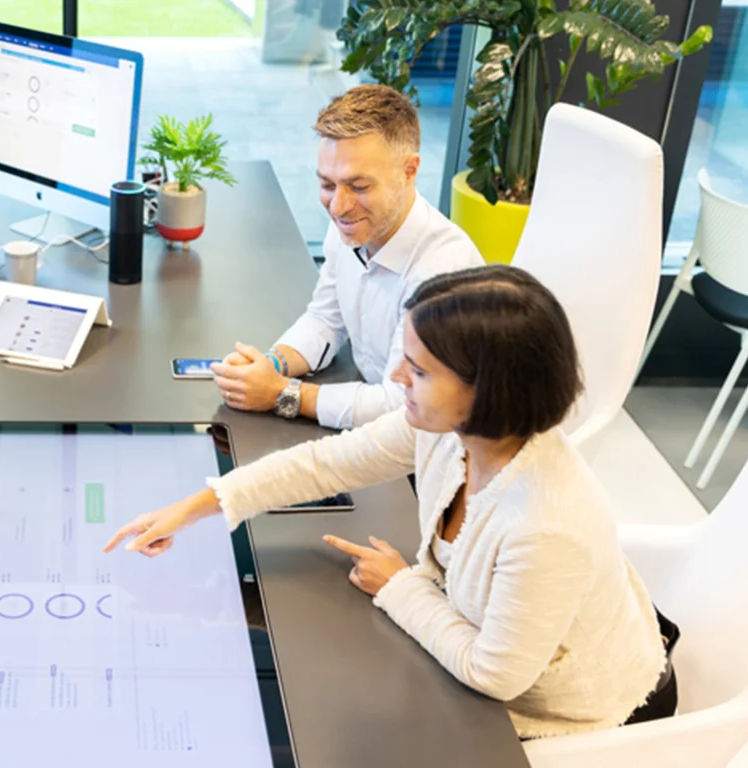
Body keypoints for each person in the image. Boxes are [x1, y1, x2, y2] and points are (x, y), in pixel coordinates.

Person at [107, 265, 676, 738]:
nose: (397, 376)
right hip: (487, 641)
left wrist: (400, 586)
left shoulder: (545, 524)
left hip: (577, 711)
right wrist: (199, 505)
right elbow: (329, 462)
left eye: (420, 369)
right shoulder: (449, 430)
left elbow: (493, 673)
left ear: (489, 390)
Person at [213, 84, 482, 430]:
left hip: (430, 451)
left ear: (409, 171)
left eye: (359, 186)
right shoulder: (353, 223)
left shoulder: (443, 272)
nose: (338, 207)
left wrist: (282, 394)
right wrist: (270, 365)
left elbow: (400, 404)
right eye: (327, 185)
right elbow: (326, 319)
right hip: (373, 428)